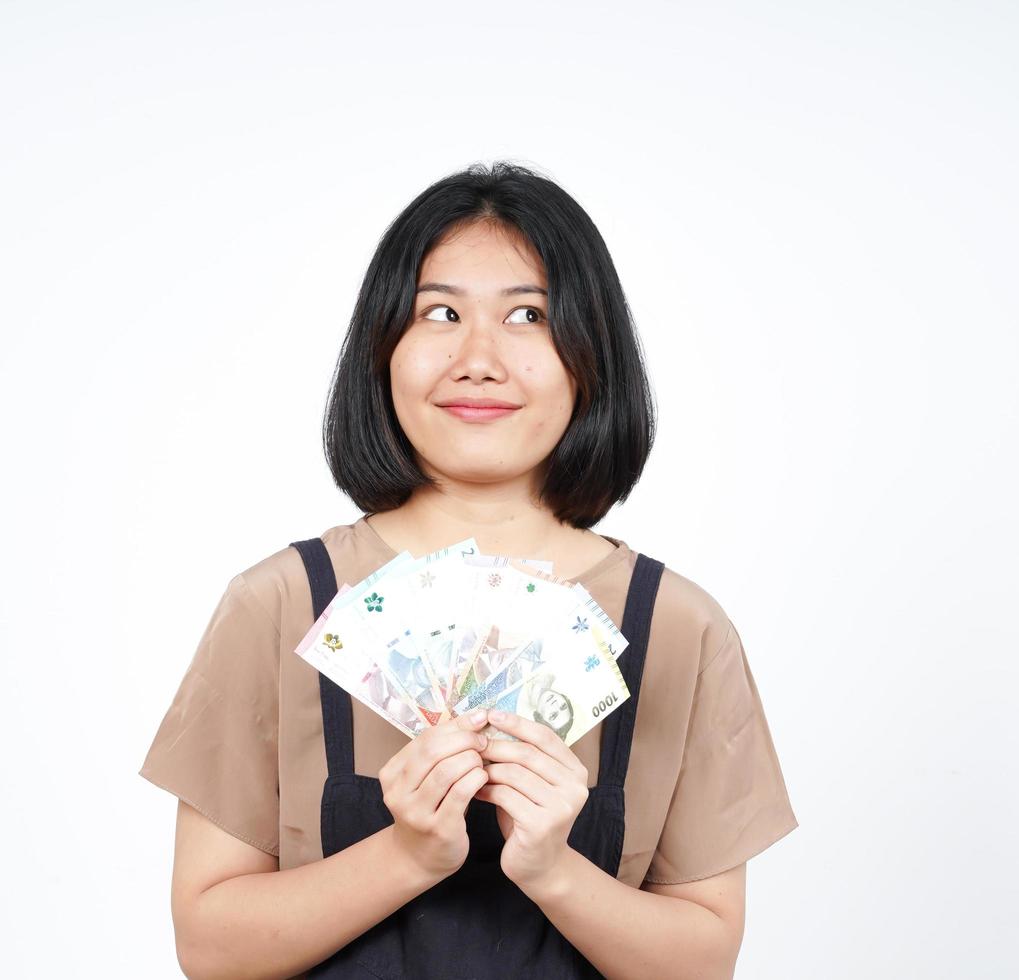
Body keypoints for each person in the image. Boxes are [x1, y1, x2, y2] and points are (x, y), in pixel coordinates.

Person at [138, 161, 798, 979]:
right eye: (439, 313)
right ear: (384, 349)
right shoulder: (280, 604)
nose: (478, 358)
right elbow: (210, 948)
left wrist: (555, 871)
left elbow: (703, 962)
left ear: (589, 357)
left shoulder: (676, 626)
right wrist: (408, 855)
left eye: (529, 315)